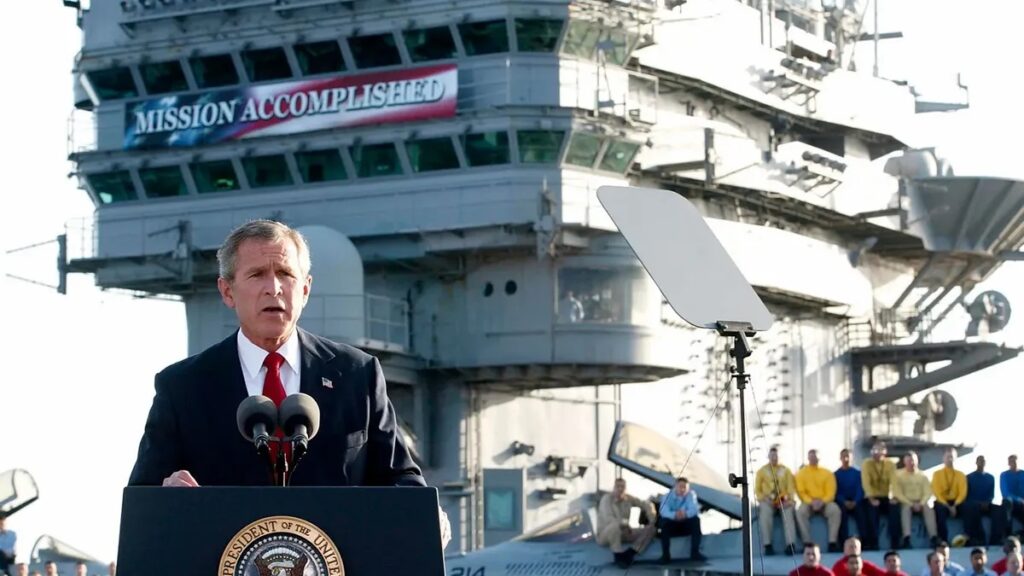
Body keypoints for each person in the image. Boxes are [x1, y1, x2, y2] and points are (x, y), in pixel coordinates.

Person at [126, 221, 449, 547]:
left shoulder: (357, 374)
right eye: (257, 275)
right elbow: (143, 500)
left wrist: (423, 511)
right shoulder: (183, 386)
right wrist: (166, 497)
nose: (274, 288)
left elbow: (401, 477)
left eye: (285, 274)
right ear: (227, 291)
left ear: (305, 289)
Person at [597, 478, 657, 568]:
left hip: (624, 533)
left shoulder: (627, 498)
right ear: (613, 488)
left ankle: (631, 552)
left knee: (651, 529)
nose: (620, 489)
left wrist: (652, 519)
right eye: (618, 486)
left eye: (623, 487)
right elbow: (608, 519)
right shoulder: (606, 499)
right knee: (614, 526)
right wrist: (625, 525)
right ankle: (618, 555)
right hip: (606, 534)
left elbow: (646, 504)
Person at [756, 445, 799, 556]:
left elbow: (791, 488)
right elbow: (757, 489)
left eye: (776, 455)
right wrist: (763, 498)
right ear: (768, 456)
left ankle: (790, 545)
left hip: (783, 500)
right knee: (765, 514)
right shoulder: (762, 471)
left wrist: (789, 500)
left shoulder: (786, 471)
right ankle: (767, 545)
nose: (774, 457)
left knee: (789, 514)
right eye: (772, 455)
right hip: (768, 500)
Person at [797, 449, 842, 552]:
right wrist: (811, 502)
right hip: (809, 503)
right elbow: (801, 492)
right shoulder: (801, 473)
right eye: (811, 457)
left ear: (819, 458)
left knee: (835, 510)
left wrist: (822, 501)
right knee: (800, 512)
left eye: (815, 456)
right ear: (808, 458)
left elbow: (831, 492)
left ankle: (832, 542)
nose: (813, 459)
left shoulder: (827, 473)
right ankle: (807, 542)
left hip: (824, 502)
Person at [893, 451, 938, 548]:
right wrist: (910, 503)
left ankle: (933, 538)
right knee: (905, 510)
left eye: (913, 461)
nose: (911, 463)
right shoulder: (898, 475)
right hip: (906, 502)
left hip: (920, 502)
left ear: (917, 462)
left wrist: (921, 503)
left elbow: (928, 492)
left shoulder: (923, 476)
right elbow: (897, 492)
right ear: (904, 462)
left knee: (929, 509)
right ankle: (907, 538)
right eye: (909, 461)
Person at [658, 477, 707, 562]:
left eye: (685, 487)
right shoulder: (667, 496)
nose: (683, 489)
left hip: (685, 525)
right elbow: (663, 511)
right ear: (675, 486)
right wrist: (675, 515)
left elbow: (694, 509)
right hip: (672, 526)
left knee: (696, 520)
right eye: (681, 486)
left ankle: (695, 553)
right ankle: (665, 556)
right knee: (664, 522)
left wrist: (685, 514)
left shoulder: (691, 495)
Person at [863, 441, 900, 550]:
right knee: (871, 512)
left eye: (879, 450)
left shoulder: (890, 464)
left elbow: (895, 482)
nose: (876, 453)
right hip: (871, 497)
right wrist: (871, 498)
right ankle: (873, 541)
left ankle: (895, 540)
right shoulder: (866, 464)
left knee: (895, 509)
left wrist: (895, 497)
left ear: (885, 452)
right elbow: (866, 482)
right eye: (874, 450)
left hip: (885, 497)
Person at [964, 455, 1004, 546]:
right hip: (973, 504)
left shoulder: (991, 477)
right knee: (971, 508)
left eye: (983, 461)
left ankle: (996, 538)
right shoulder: (969, 477)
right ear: (976, 462)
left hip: (987, 504)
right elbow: (967, 495)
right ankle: (976, 538)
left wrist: (987, 502)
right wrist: (978, 503)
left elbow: (991, 494)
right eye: (980, 460)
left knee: (999, 509)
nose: (981, 462)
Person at [933, 448, 968, 543]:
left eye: (952, 457)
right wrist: (948, 506)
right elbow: (937, 493)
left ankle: (968, 536)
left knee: (969, 507)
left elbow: (963, 493)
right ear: (943, 458)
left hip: (957, 502)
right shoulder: (937, 474)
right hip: (943, 502)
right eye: (947, 457)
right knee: (939, 509)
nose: (950, 459)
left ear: (956, 458)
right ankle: (942, 539)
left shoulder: (960, 475)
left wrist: (955, 505)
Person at [836, 449, 867, 545]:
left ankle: (864, 540)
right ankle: (843, 542)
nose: (846, 459)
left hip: (856, 501)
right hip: (843, 502)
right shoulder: (836, 474)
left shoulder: (858, 473)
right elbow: (836, 491)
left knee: (862, 514)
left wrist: (856, 501)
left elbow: (860, 489)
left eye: (848, 456)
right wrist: (843, 501)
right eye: (843, 457)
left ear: (852, 458)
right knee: (841, 515)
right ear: (840, 458)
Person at [1002, 456, 1024, 536]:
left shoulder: (1022, 473)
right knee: (1007, 501)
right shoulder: (1004, 475)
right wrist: (1019, 500)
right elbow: (1005, 492)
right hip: (1012, 503)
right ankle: (1007, 534)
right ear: (1008, 463)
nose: (1013, 463)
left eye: (1014, 461)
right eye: (1011, 461)